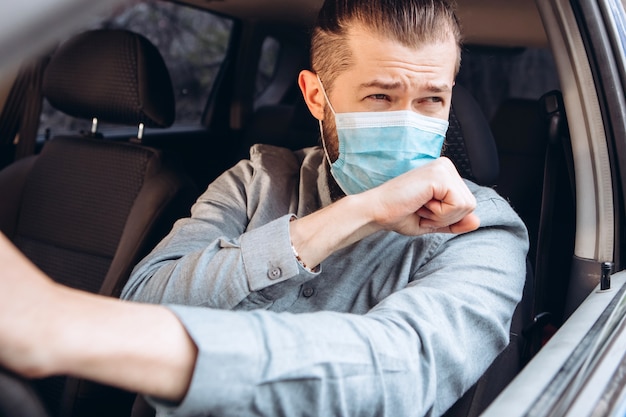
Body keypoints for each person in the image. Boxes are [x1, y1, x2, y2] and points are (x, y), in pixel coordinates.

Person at [0, 0, 528, 416]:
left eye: (432, 99)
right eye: (380, 98)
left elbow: (401, 374)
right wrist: (356, 214)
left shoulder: (486, 231)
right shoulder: (256, 179)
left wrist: (65, 328)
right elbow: (145, 298)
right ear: (317, 97)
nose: (411, 121)